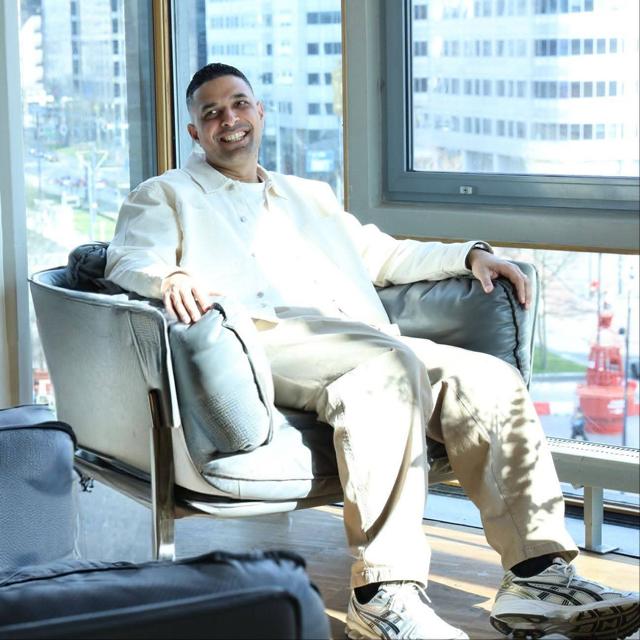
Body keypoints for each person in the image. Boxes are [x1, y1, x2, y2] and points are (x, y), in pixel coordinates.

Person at [105, 63, 639, 640]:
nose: (228, 119)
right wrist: (170, 277)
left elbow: (383, 255)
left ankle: (538, 578)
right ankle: (384, 595)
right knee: (386, 372)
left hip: (362, 337)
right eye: (211, 113)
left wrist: (469, 256)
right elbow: (127, 259)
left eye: (238, 104)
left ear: (259, 112)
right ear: (195, 132)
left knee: (489, 379)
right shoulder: (165, 194)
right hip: (258, 339)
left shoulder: (308, 196)